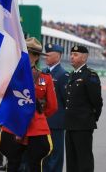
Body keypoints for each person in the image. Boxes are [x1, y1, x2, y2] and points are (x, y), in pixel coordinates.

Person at [0, 37, 58, 172]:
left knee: (34, 164)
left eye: (28, 53)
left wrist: (37, 115)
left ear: (36, 57)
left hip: (35, 128)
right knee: (13, 163)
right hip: (13, 125)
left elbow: (52, 106)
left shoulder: (45, 78)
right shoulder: (10, 74)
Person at [65, 45, 103, 172]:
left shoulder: (90, 75)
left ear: (84, 57)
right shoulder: (72, 75)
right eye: (71, 54)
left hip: (83, 125)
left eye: (75, 55)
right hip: (70, 125)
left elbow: (97, 102)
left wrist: (91, 118)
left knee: (84, 160)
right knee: (71, 160)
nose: (71, 57)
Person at [42, 44, 69, 172]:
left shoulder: (63, 75)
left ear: (58, 56)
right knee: (46, 151)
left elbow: (66, 100)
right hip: (44, 120)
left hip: (56, 121)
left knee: (56, 153)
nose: (46, 57)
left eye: (49, 54)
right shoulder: (44, 72)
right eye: (45, 54)